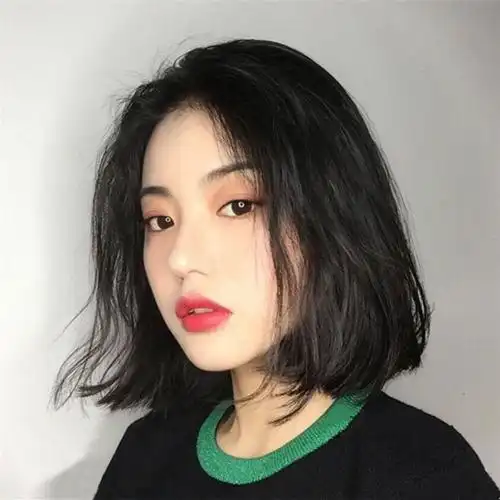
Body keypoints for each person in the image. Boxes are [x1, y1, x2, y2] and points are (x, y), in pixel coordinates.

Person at [51, 38, 499, 499]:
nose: (180, 259)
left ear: (331, 216)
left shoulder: (424, 477)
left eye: (238, 206)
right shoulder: (144, 458)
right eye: (160, 221)